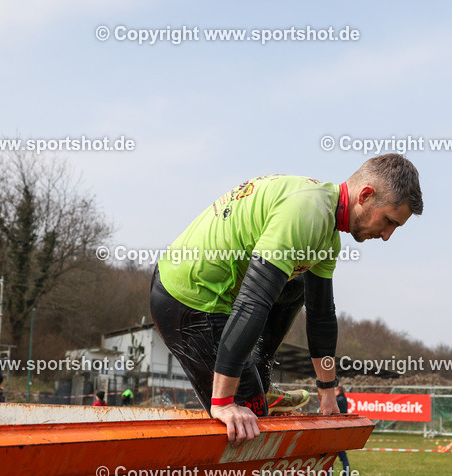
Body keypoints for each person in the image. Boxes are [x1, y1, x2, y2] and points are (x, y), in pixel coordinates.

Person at [150, 154, 423, 445]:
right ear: (366, 195)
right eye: (389, 221)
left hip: (216, 297)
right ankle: (249, 395)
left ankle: (261, 383)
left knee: (299, 282)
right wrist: (224, 401)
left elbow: (321, 317)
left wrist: (328, 395)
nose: (386, 236)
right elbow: (254, 301)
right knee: (249, 429)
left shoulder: (326, 230)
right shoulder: (307, 214)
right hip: (187, 298)